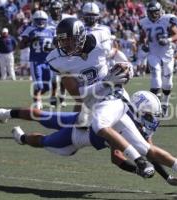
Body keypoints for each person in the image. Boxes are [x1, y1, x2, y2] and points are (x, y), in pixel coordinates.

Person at [0, 90, 177, 197]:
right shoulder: (118, 109)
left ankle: (22, 139)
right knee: (40, 114)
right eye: (150, 115)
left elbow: (123, 156)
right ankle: (5, 113)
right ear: (138, 109)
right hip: (79, 120)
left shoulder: (131, 128)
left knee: (45, 141)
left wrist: (164, 176)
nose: (152, 121)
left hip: (76, 139)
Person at [47, 17, 156, 180]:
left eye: (69, 40)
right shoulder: (58, 60)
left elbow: (115, 54)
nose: (65, 45)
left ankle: (157, 167)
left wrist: (126, 66)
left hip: (114, 99)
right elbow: (78, 95)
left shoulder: (101, 38)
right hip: (93, 104)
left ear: (80, 37)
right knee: (113, 149)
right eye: (63, 41)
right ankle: (143, 165)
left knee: (141, 140)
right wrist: (104, 83)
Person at [138, 1, 177, 117]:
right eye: (151, 12)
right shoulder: (144, 22)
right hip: (153, 54)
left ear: (160, 11)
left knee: (168, 84)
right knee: (156, 81)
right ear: (148, 12)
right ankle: (153, 108)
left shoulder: (167, 19)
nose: (153, 15)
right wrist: (143, 44)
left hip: (167, 54)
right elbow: (142, 37)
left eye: (156, 12)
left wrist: (168, 40)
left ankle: (165, 104)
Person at [20, 10, 55, 109]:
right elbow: (21, 45)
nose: (41, 22)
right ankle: (37, 102)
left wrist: (53, 48)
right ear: (34, 21)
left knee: (47, 87)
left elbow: (57, 44)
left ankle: (36, 97)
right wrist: (29, 40)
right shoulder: (30, 29)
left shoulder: (51, 30)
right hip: (36, 61)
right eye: (38, 20)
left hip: (48, 62)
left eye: (43, 20)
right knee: (38, 86)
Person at [47, 0, 67, 107]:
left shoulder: (65, 19)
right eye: (53, 9)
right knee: (54, 78)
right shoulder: (46, 21)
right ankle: (53, 96)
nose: (55, 11)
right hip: (53, 51)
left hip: (65, 50)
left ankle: (62, 96)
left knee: (64, 76)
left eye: (57, 9)